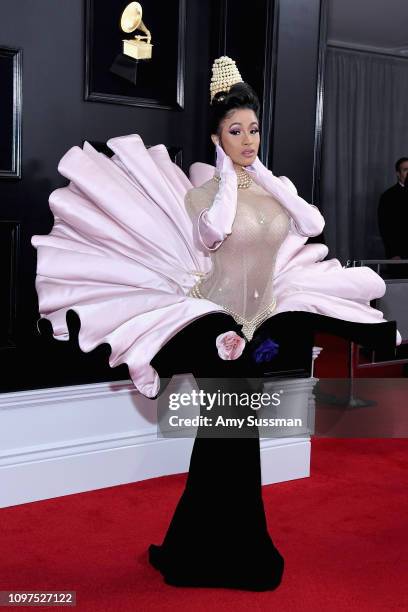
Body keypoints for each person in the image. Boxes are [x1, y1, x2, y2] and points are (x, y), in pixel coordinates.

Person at [31, 56, 401, 591]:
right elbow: (212, 235)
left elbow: (313, 224)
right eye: (235, 131)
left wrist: (264, 176)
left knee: (233, 437)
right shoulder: (206, 196)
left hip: (263, 327)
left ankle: (202, 548)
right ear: (217, 137)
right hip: (217, 329)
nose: (247, 139)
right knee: (225, 437)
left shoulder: (274, 190)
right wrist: (231, 174)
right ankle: (211, 553)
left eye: (253, 129)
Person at [378, 157, 408, 277]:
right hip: (399, 256)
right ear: (398, 173)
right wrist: (393, 253)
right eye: (406, 170)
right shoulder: (388, 196)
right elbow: (385, 227)